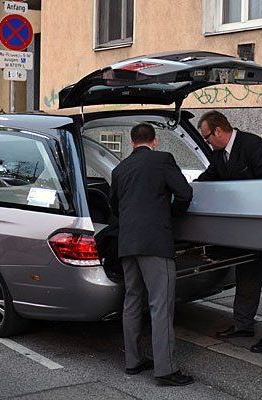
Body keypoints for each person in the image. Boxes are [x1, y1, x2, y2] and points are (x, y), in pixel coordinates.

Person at [196, 110, 262, 353]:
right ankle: (243, 324)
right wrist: (189, 190)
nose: (206, 142)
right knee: (246, 277)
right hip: (245, 231)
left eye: (206, 137)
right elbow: (209, 178)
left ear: (218, 131)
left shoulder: (254, 146)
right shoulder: (219, 155)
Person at [110, 123, 194, 386]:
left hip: (127, 243)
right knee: (161, 304)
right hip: (155, 242)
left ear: (132, 142)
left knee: (132, 301)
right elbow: (185, 193)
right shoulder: (162, 160)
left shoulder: (119, 169)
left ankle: (133, 361)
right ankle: (166, 370)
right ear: (154, 141)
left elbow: (114, 206)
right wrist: (171, 214)